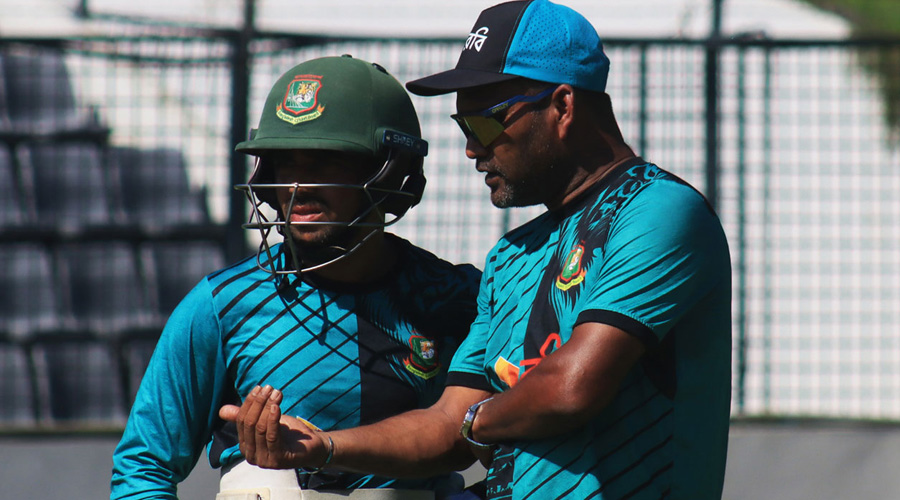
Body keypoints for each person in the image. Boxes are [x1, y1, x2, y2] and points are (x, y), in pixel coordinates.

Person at [220, 1, 733, 499]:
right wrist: (321, 448)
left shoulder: (658, 209)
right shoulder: (512, 254)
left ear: (562, 106)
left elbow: (570, 388)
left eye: (485, 123)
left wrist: (474, 421)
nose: (471, 148)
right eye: (463, 127)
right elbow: (447, 424)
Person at [110, 55, 482, 500]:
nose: (297, 187)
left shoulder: (459, 299)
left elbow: (526, 445)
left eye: (325, 162)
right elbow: (143, 467)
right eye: (286, 164)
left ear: (391, 173)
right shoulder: (223, 304)